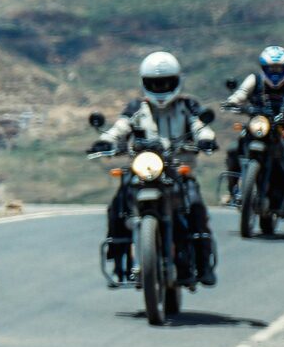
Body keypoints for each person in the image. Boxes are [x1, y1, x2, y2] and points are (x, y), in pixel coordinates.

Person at [89, 49, 216, 286]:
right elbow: (121, 127)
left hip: (178, 168)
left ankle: (203, 263)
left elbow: (200, 127)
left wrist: (206, 138)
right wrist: (106, 140)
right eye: (155, 83)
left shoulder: (187, 106)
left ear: (177, 81)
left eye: (166, 82)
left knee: (196, 206)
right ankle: (118, 258)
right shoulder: (136, 107)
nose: (161, 88)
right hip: (143, 169)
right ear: (145, 83)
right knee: (116, 207)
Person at [222, 44, 284, 211]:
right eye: (271, 68)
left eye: (279, 68)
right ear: (264, 68)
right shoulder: (254, 80)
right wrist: (232, 102)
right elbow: (240, 94)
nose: (275, 72)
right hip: (258, 127)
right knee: (234, 149)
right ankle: (232, 190)